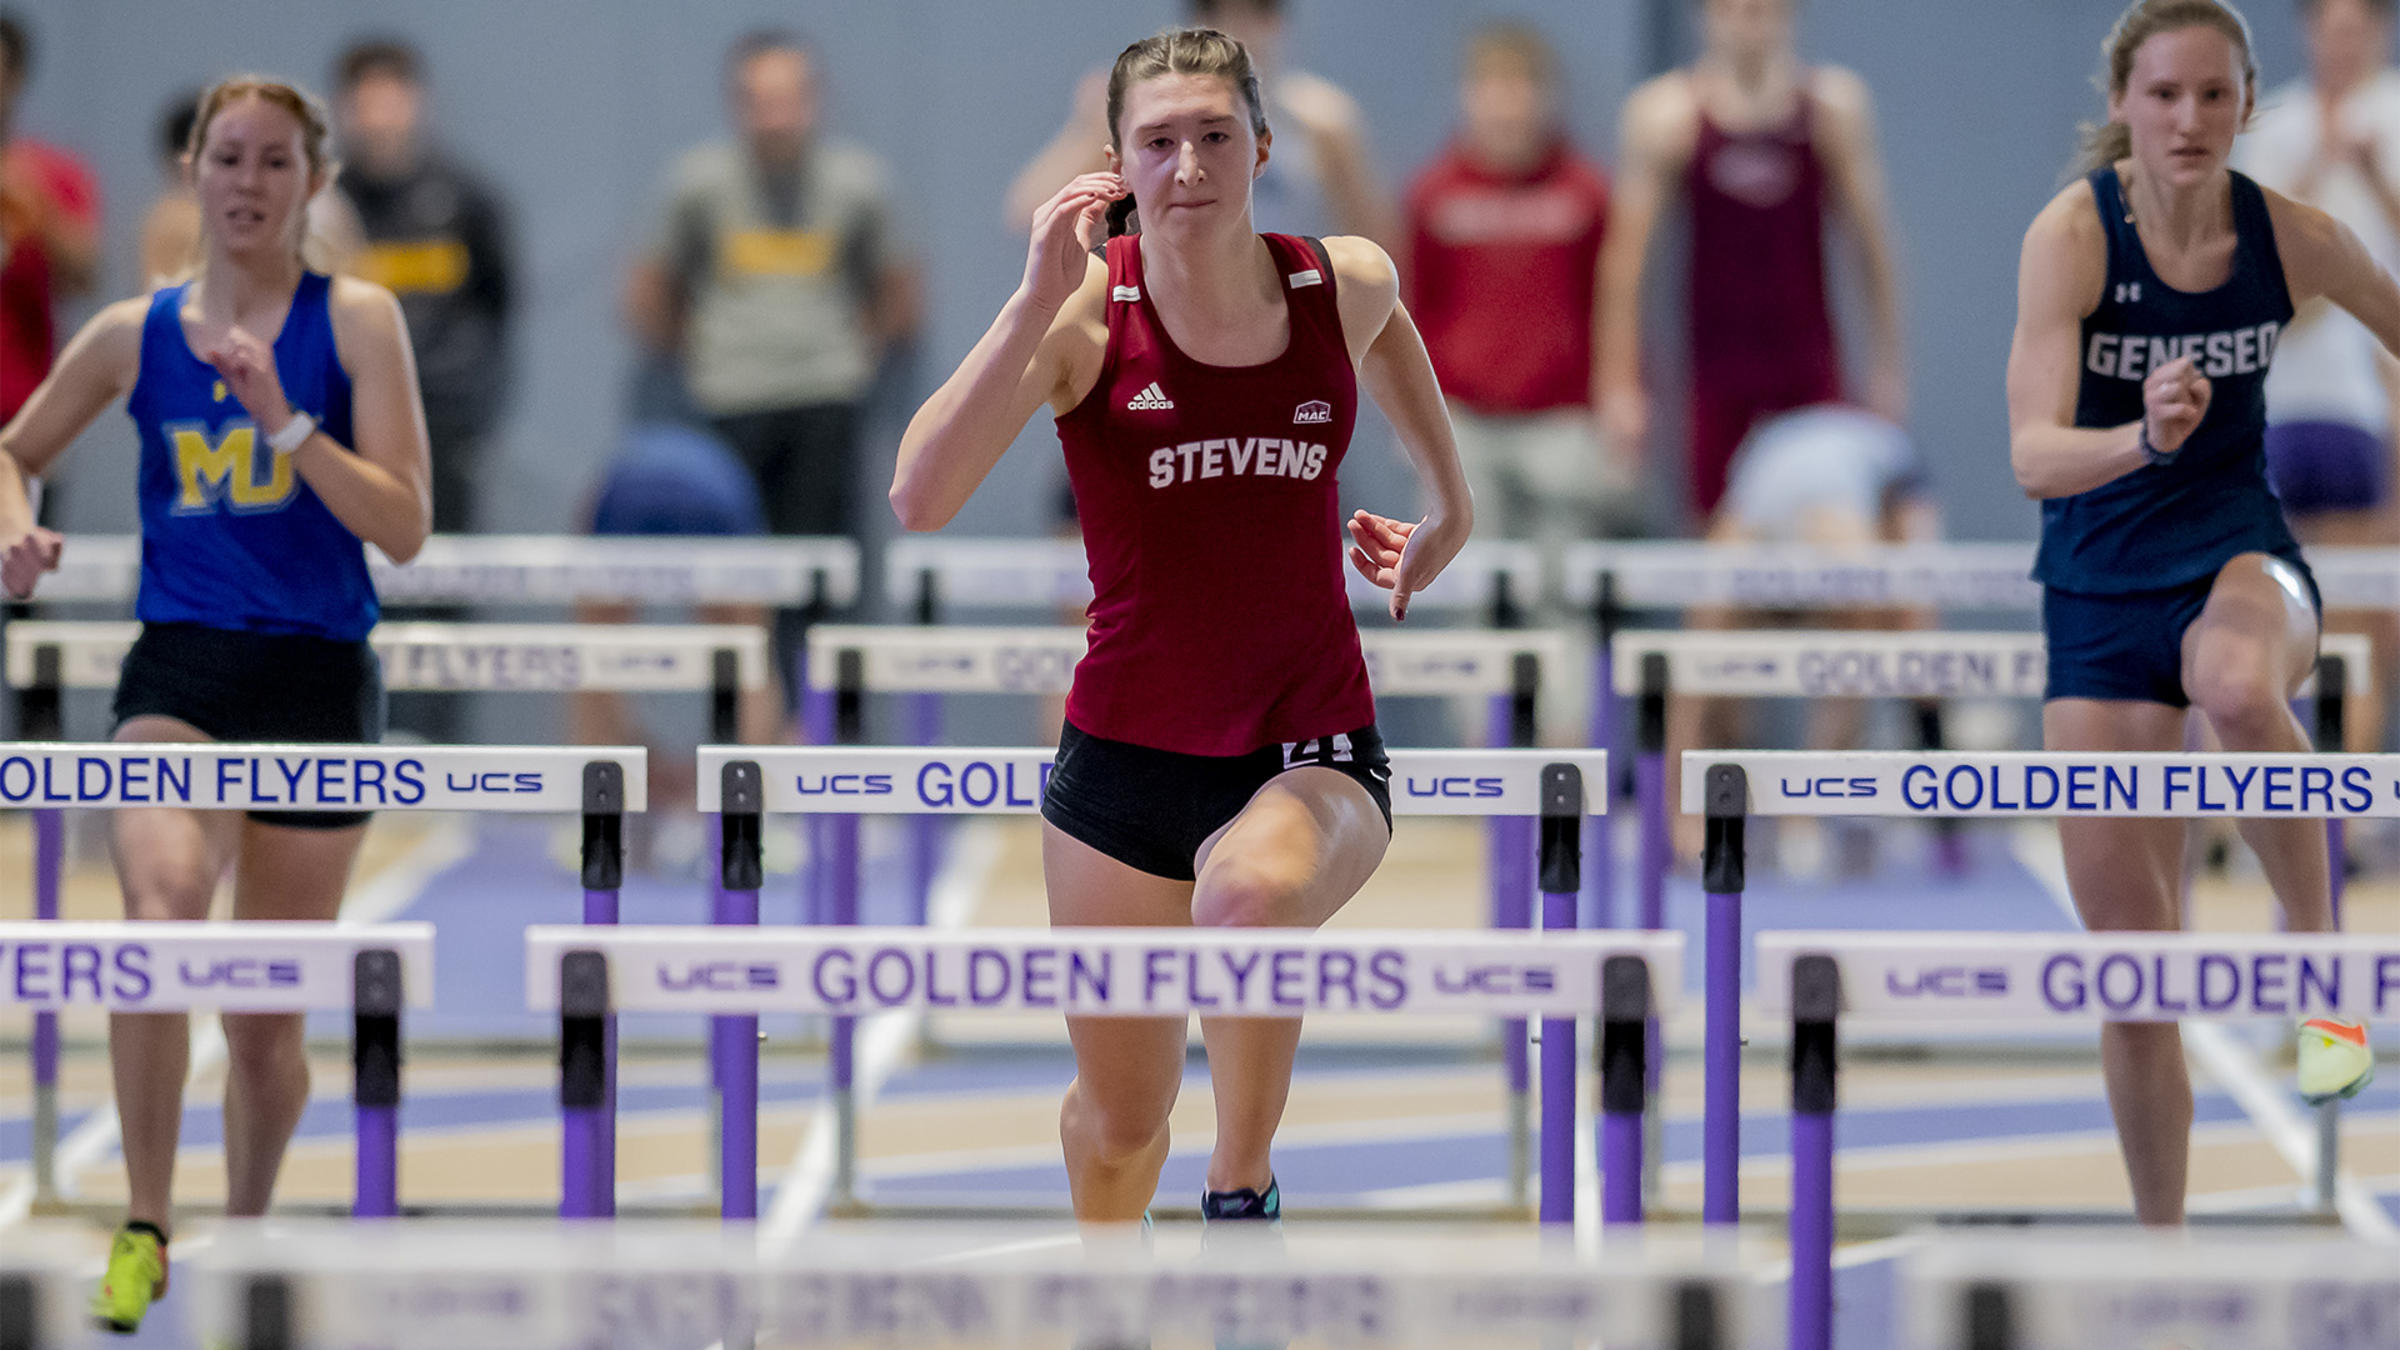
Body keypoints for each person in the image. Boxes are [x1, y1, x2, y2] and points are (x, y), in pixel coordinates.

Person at [891, 28, 1470, 1226]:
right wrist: (1028, 300)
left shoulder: (1336, 281)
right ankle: (1115, 1296)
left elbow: (1394, 322)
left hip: (1309, 749)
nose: (1191, 165)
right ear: (1118, 164)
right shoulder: (1085, 327)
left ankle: (1241, 1185)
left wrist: (1448, 505)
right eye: (1160, 143)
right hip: (1123, 766)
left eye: (1215, 136)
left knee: (1248, 899)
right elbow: (920, 497)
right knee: (1119, 1125)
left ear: (1262, 147)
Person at [0, 76, 429, 1329]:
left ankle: (245, 1232)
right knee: (160, 912)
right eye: (227, 158)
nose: (248, 183)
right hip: (178, 668)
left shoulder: (357, 323)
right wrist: (14, 530)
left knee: (259, 1023)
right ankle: (146, 1222)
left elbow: (403, 528)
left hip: (314, 669)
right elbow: (13, 450)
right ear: (192, 169)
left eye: (275, 163)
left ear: (314, 182)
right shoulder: (137, 333)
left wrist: (287, 426)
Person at [2007, 0, 2383, 1226]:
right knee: (2136, 968)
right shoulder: (2072, 235)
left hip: (2242, 560)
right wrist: (2143, 435)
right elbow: (2032, 457)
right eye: (2164, 95)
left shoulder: (2295, 236)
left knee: (2232, 684)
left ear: (2245, 107)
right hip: (2097, 596)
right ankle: (2159, 1248)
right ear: (2123, 103)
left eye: (2214, 97)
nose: (2188, 120)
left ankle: (2322, 963)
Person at [626, 28, 918, 724]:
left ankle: (830, 752)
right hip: (729, 407)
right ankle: (739, 748)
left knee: (827, 590)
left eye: (788, 99)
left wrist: (847, 357)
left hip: (826, 406)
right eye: (760, 100)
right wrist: (707, 353)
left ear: (813, 101)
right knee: (732, 593)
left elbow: (900, 291)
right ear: (738, 104)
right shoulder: (697, 183)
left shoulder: (857, 183)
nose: (776, 115)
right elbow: (647, 290)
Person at [1596, 0, 1906, 525]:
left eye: (1763, 8)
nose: (1749, 21)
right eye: (1734, 8)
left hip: (1807, 365)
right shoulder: (1667, 115)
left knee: (1831, 536)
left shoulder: (1831, 108)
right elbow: (1626, 265)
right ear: (1707, 15)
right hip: (1716, 372)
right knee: (1717, 546)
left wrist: (1886, 368)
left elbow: (1871, 246)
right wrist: (1618, 385)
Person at [1403, 22, 1631, 591]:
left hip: (1563, 423)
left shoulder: (1586, 193)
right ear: (1469, 98)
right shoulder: (1434, 195)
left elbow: (1610, 305)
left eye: (1520, 90)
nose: (1507, 108)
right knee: (1463, 591)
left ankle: (1565, 687)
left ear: (1545, 98)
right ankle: (1470, 687)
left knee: (1565, 595)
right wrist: (1418, 421)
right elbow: (1413, 310)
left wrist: (1618, 398)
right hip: (1464, 429)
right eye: (1492, 90)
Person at [2233, 0, 2399, 765]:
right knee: (2265, 613)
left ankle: (2346, 811)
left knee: (2368, 617)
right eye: (2327, 28)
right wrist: (2320, 164)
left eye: (2354, 30)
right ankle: (2259, 806)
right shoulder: (2274, 127)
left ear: (2378, 34)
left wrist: (2369, 174)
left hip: (2377, 389)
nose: (2341, 44)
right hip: (2295, 396)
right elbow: (2249, 256)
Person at [1001, 0, 1393, 245]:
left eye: (1255, 10)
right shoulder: (1150, 111)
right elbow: (1031, 213)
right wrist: (1093, 129)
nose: (1238, 28)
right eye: (1218, 11)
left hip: (1286, 321)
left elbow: (1379, 249)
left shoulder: (1323, 123)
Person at [332, 38, 514, 535]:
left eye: (391, 102)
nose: (380, 120)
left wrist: (477, 403)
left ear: (417, 102)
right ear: (346, 110)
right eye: (367, 104)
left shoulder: (467, 200)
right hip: (349, 421)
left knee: (446, 558)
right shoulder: (324, 208)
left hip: (447, 416)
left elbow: (498, 304)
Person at [0, 10, 101, 434]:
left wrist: (42, 212)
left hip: (22, 411)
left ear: (17, 79)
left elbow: (85, 276)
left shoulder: (52, 174)